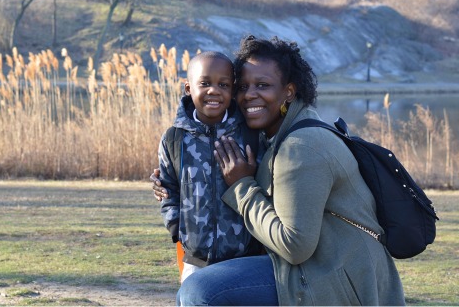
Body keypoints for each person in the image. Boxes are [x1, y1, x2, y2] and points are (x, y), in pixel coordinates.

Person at [154, 35, 405, 306]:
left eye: (262, 85)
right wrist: (174, 184)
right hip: (319, 267)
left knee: (200, 291)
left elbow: (294, 246)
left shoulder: (302, 146)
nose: (249, 95)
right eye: (243, 86)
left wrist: (242, 186)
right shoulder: (274, 135)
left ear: (288, 91)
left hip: (336, 280)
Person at [157, 51, 261, 283]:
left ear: (232, 91)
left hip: (244, 258)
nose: (214, 90)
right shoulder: (174, 139)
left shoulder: (250, 135)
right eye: (204, 83)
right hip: (195, 261)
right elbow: (167, 188)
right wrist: (177, 228)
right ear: (188, 89)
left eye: (223, 84)